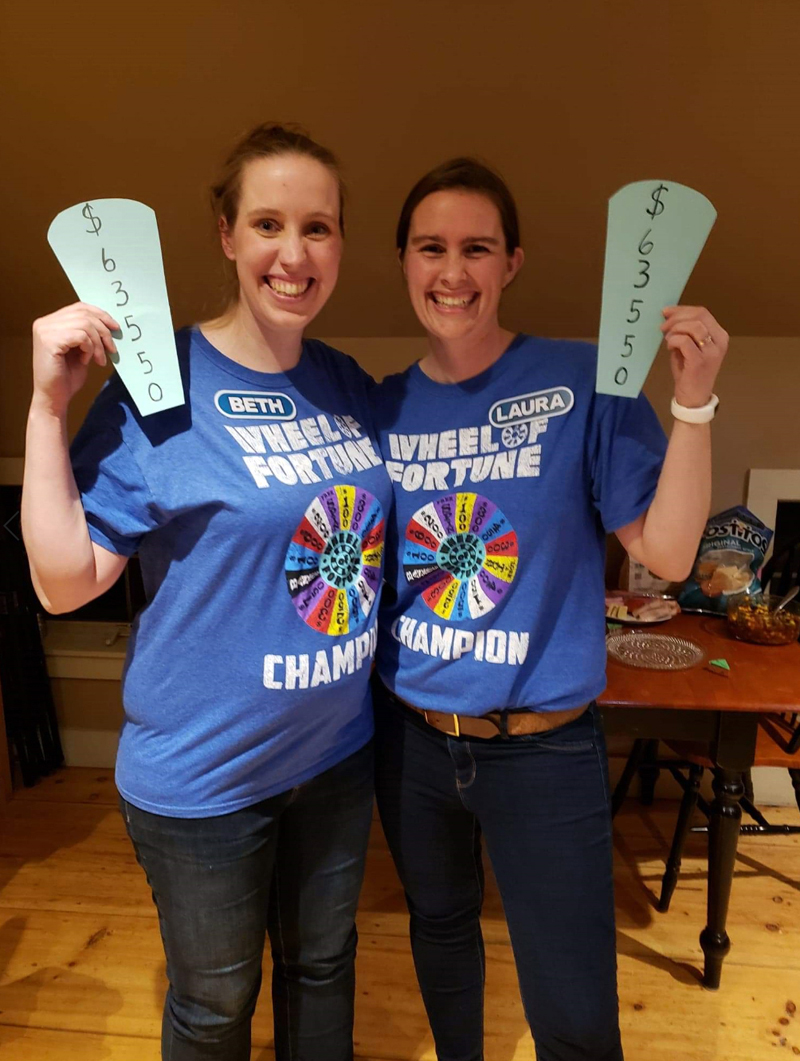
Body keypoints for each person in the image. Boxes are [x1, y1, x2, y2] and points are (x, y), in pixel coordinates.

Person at [21, 124, 393, 1061]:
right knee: (217, 1004)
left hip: (337, 758)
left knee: (322, 967)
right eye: (268, 222)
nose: (295, 253)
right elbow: (63, 586)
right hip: (206, 783)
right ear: (226, 235)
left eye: (319, 227)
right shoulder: (160, 388)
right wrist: (44, 408)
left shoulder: (344, 382)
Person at [370, 158, 727, 1061]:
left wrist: (693, 402)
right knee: (441, 937)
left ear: (514, 261)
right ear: (404, 261)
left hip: (545, 746)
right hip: (412, 738)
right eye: (432, 247)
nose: (454, 271)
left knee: (571, 1003)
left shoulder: (582, 380)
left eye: (477, 247)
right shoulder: (383, 407)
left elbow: (670, 552)